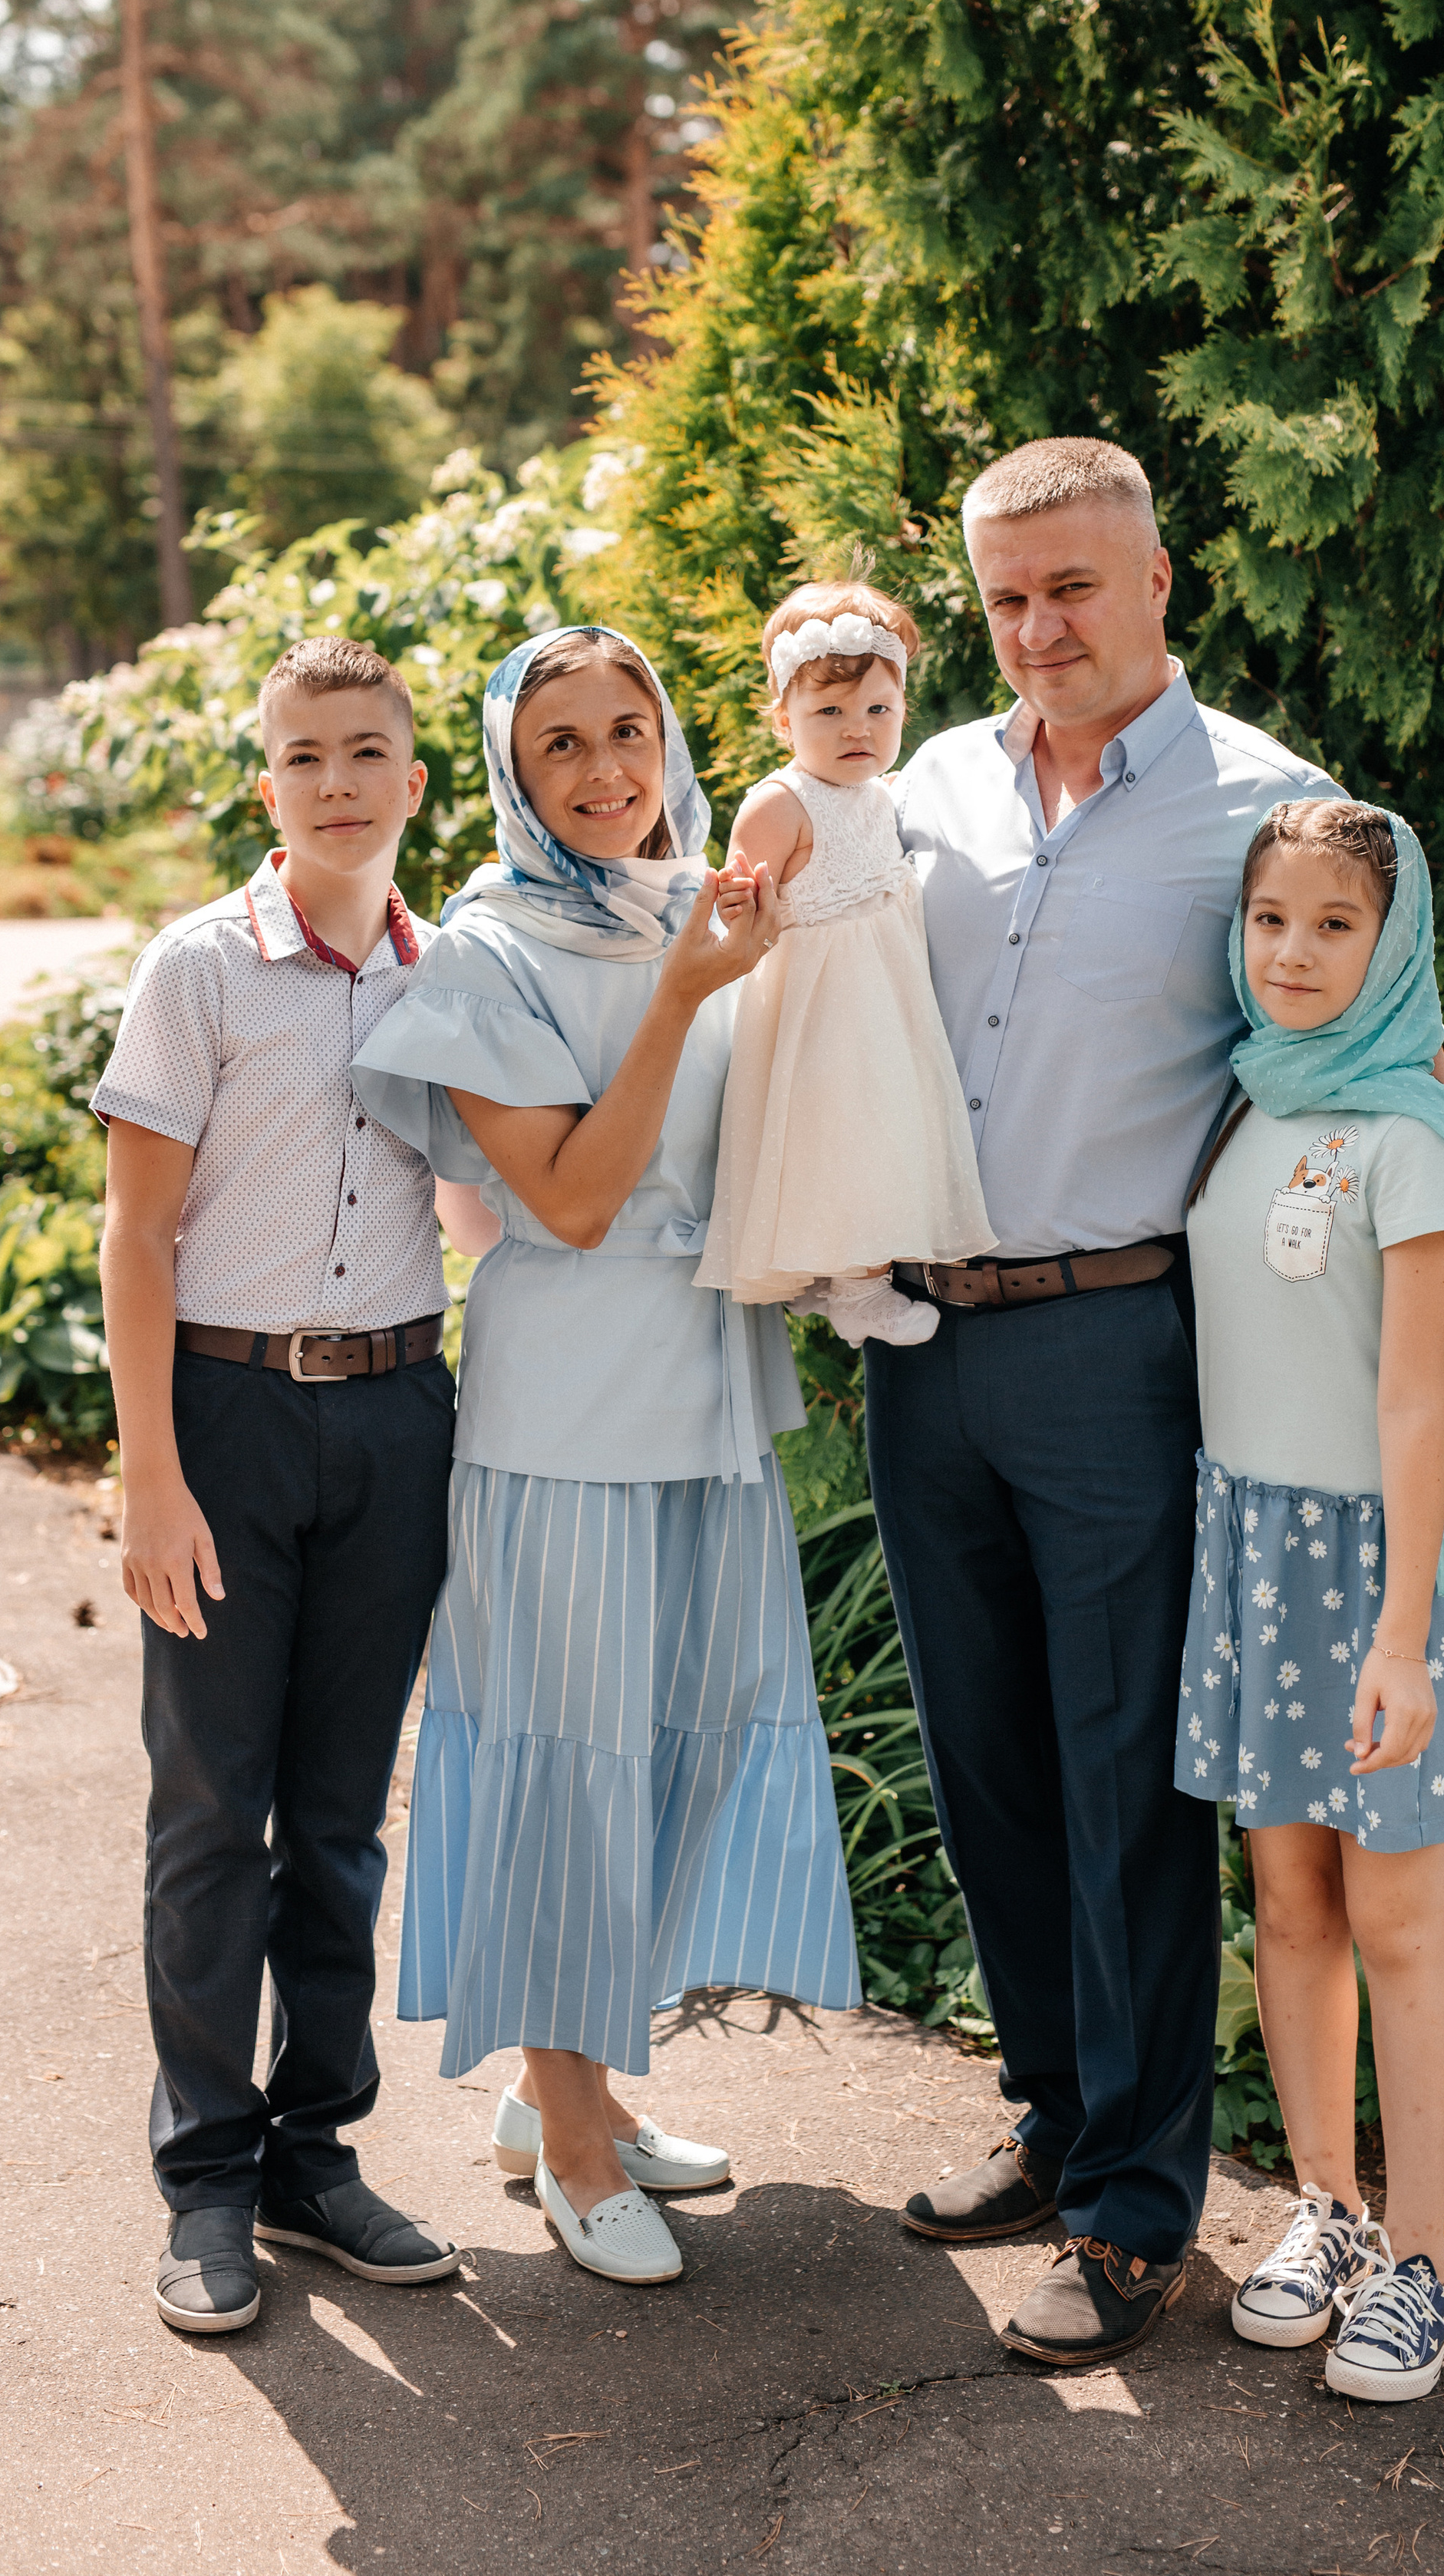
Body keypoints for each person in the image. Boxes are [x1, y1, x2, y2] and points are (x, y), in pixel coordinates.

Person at [864, 434, 1350, 2371]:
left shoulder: (1269, 805)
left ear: (1156, 579)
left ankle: (1141, 2209)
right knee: (983, 1763)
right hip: (923, 1341)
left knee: (1122, 1774)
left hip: (1119, 1342)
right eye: (1001, 596)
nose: (1035, 627)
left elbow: (1323, 1083)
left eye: (1069, 586)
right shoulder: (922, 788)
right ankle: (1057, 2116)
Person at [350, 624, 862, 2289]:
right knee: (566, 1757)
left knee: (661, 1750)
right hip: (564, 1403)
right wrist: (684, 997)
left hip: (711, 1387)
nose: (601, 771)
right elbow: (563, 1201)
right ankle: (569, 2139)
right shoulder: (490, 947)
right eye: (557, 743)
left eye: (626, 729)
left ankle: (561, 2084)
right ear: (509, 772)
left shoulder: (704, 907)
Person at [94, 636, 463, 2337]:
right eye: (303, 754)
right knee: (208, 1819)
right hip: (228, 1425)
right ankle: (207, 2181)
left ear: (410, 777)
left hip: (395, 1421)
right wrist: (150, 1475)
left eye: (364, 750)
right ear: (269, 788)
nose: (335, 779)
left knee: (334, 1821)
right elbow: (137, 1236)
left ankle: (318, 2155)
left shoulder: (446, 972)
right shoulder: (202, 972)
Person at [1180, 798, 1444, 2400]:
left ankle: (1417, 2259)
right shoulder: (1241, 1107)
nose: (1294, 952)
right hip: (1255, 1547)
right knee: (1288, 1908)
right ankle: (1319, 2207)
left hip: (1380, 1571)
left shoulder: (1410, 1137)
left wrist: (1401, 1635)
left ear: (1390, 943)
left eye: (1333, 924)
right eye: (1271, 919)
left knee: (1395, 1911)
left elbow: (1414, 1411)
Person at [694, 579, 994, 1347]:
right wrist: (733, 909)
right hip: (824, 1014)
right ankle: (854, 1289)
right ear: (783, 716)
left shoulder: (883, 795)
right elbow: (741, 907)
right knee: (838, 1145)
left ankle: (844, 1277)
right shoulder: (781, 802)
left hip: (887, 1010)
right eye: (829, 712)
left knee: (885, 1145)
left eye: (877, 710)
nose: (856, 729)